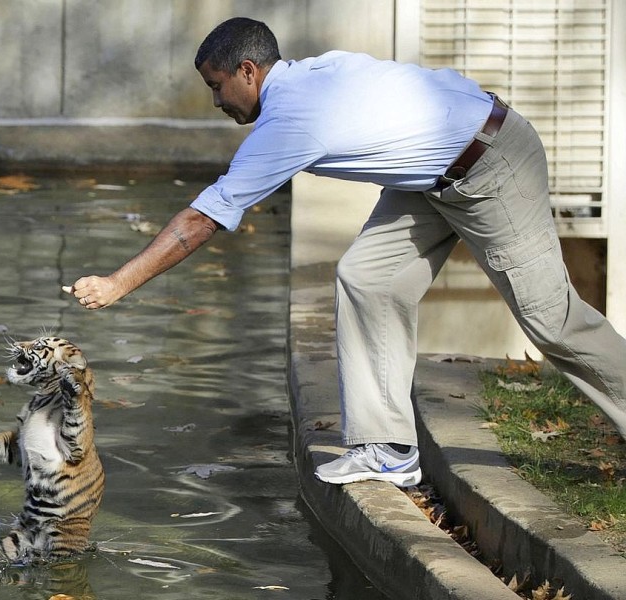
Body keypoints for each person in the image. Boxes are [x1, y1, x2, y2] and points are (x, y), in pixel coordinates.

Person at [64, 17, 626, 488]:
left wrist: (118, 283)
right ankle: (388, 450)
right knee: (366, 277)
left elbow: (201, 220)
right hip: (436, 172)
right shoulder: (311, 75)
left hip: (492, 164)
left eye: (217, 87)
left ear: (248, 72)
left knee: (552, 321)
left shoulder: (290, 120)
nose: (215, 101)